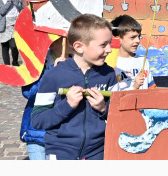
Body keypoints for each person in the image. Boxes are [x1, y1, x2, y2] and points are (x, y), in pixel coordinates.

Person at [31, 14, 117, 160]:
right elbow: (38, 120)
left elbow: (119, 116)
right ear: (78, 47)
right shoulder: (54, 75)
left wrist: (104, 109)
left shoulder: (109, 74)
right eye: (103, 45)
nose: (109, 49)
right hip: (60, 151)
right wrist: (67, 105)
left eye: (109, 43)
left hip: (98, 151)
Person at [20, 37, 73, 160]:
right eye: (65, 39)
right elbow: (28, 93)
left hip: (64, 133)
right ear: (52, 44)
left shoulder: (77, 64)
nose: (71, 41)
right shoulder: (38, 63)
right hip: (37, 132)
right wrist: (51, 71)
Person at [110, 15, 156, 91]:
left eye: (139, 36)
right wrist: (135, 86)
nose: (138, 41)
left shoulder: (143, 60)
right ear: (118, 38)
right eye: (132, 37)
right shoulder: (112, 63)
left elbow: (152, 87)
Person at [0, 0, 25, 66]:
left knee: (14, 45)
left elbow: (21, 8)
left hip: (15, 23)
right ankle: (6, 66)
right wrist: (9, 1)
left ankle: (15, 61)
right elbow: (2, 11)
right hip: (5, 24)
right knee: (5, 46)